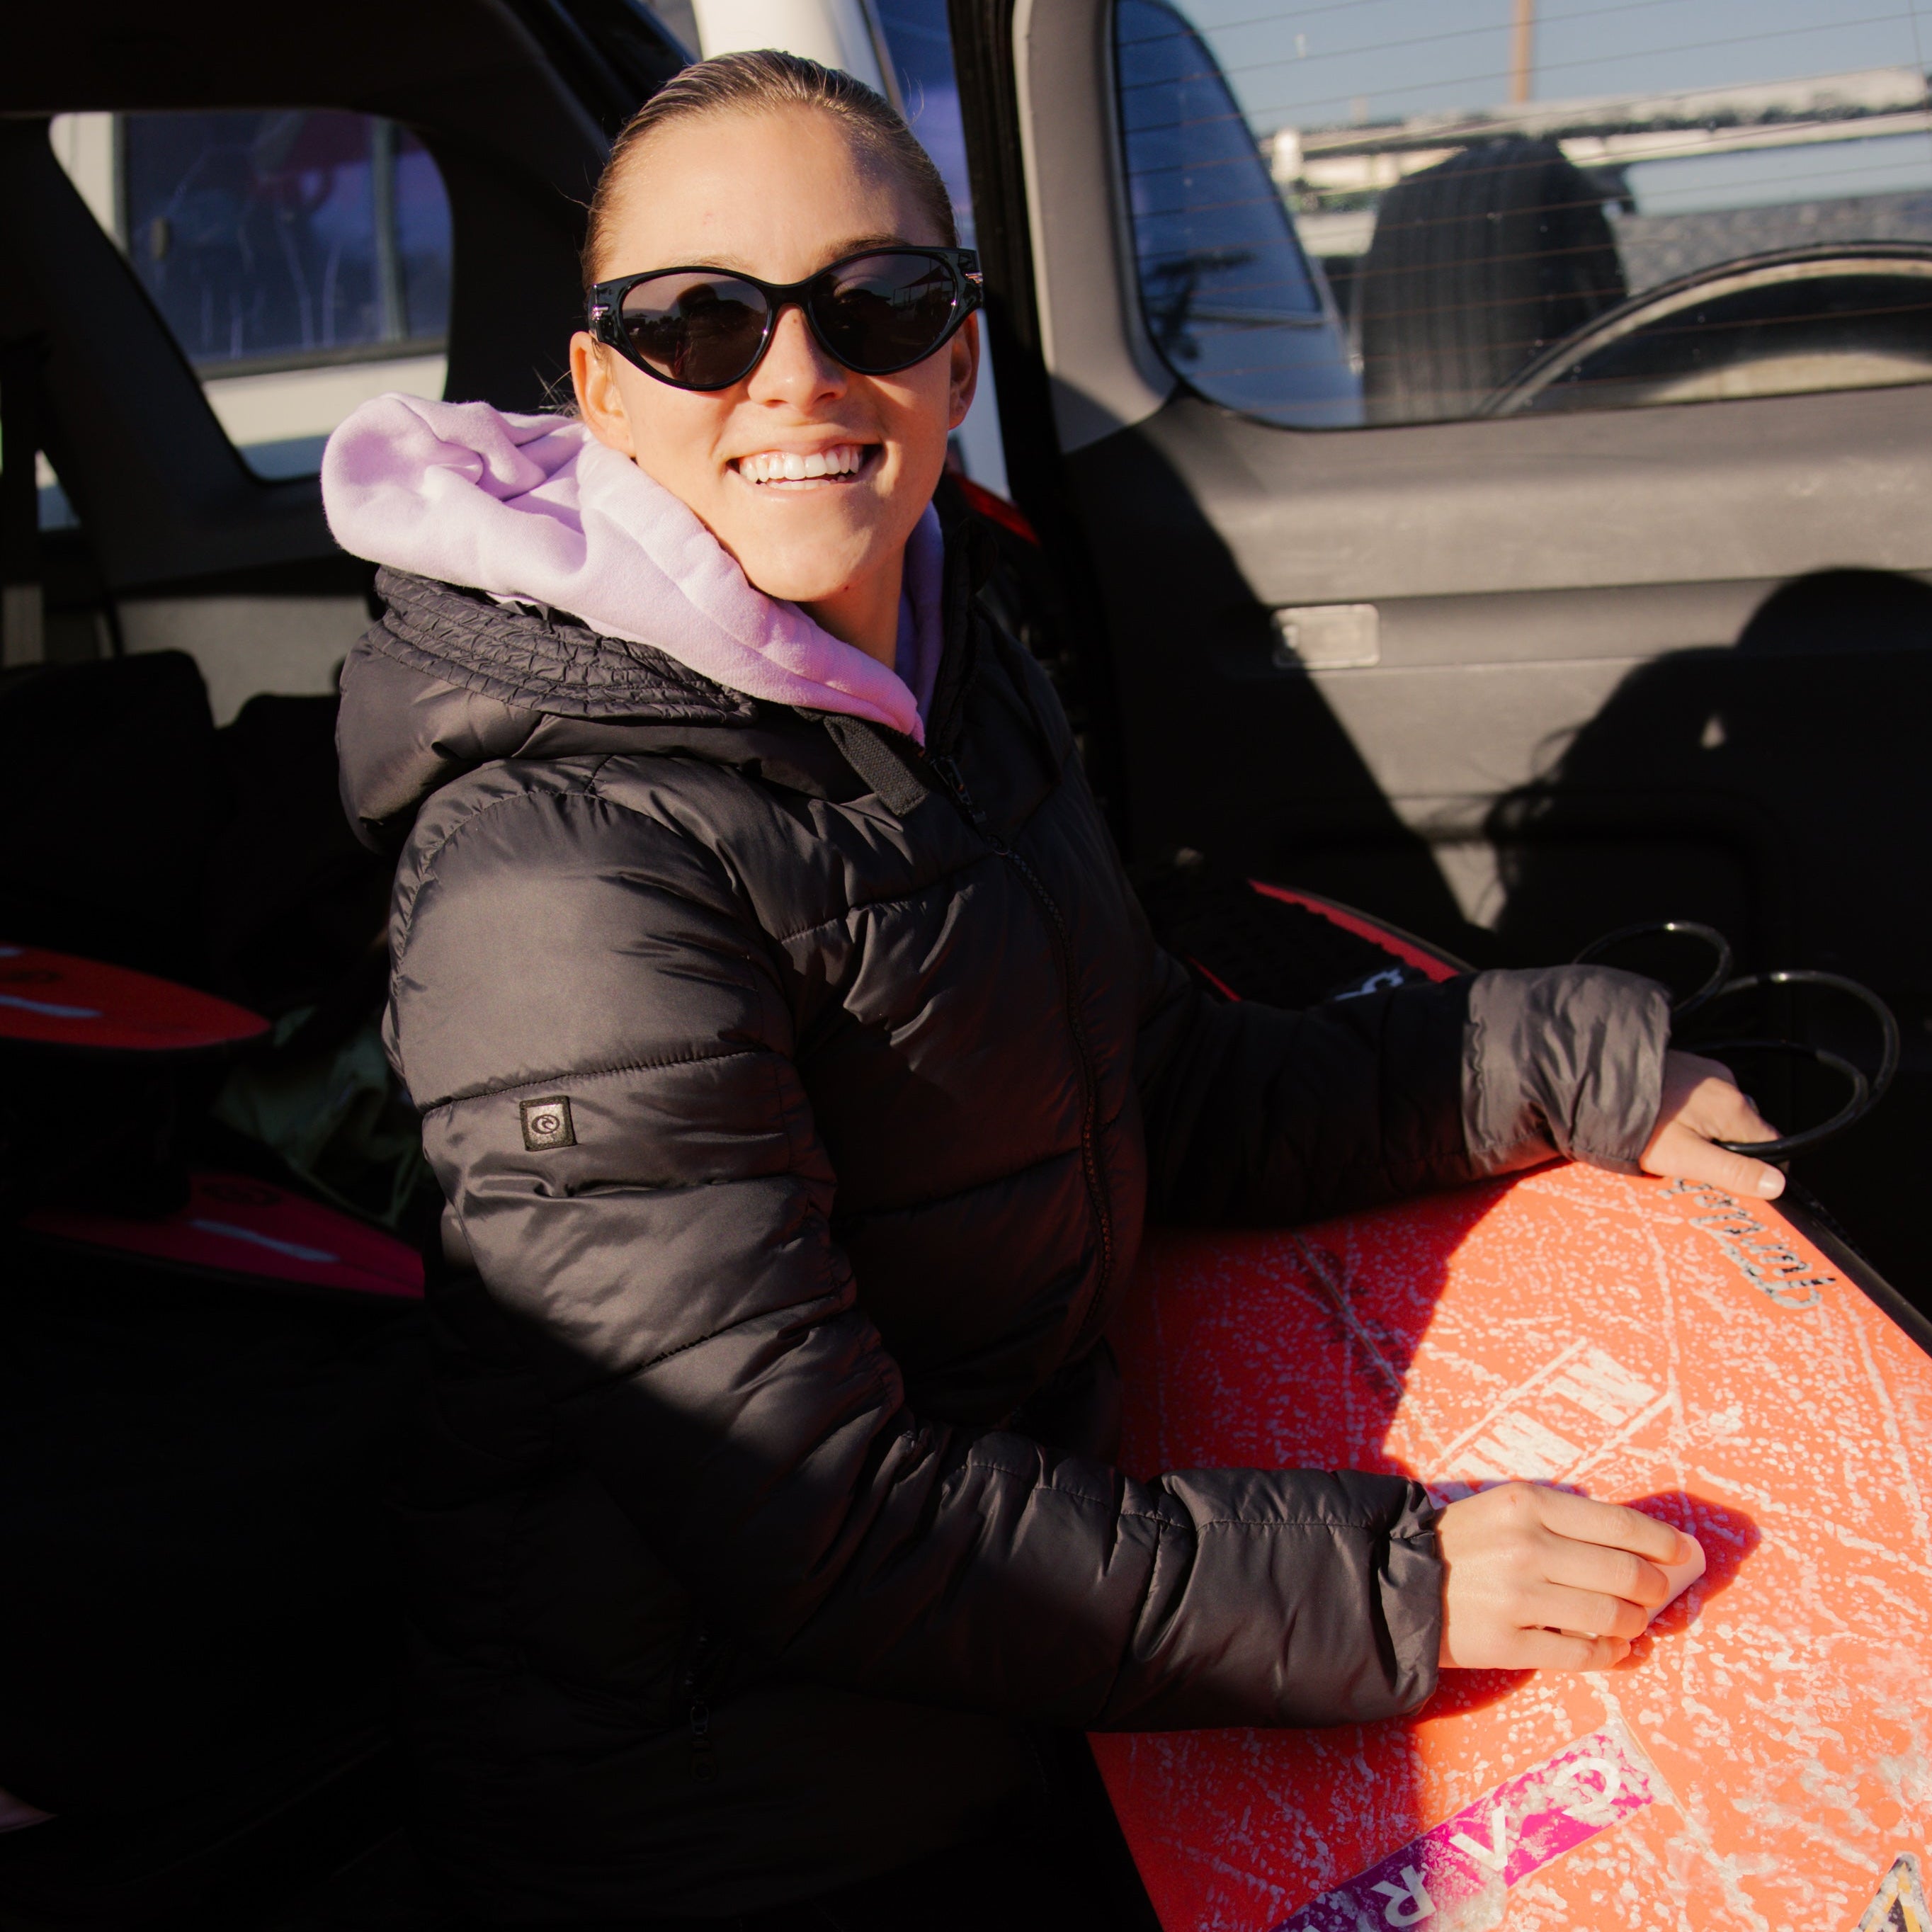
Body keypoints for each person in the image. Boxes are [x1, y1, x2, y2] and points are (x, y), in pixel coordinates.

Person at [322, 50, 1781, 1930]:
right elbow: (807, 1516)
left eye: (879, 301)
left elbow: (1143, 1086)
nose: (795, 376)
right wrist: (1393, 1588)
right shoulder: (565, 873)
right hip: (740, 1794)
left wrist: (1555, 1056)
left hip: (1005, 1660)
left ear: (958, 358)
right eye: (700, 322)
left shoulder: (937, 661)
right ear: (599, 386)